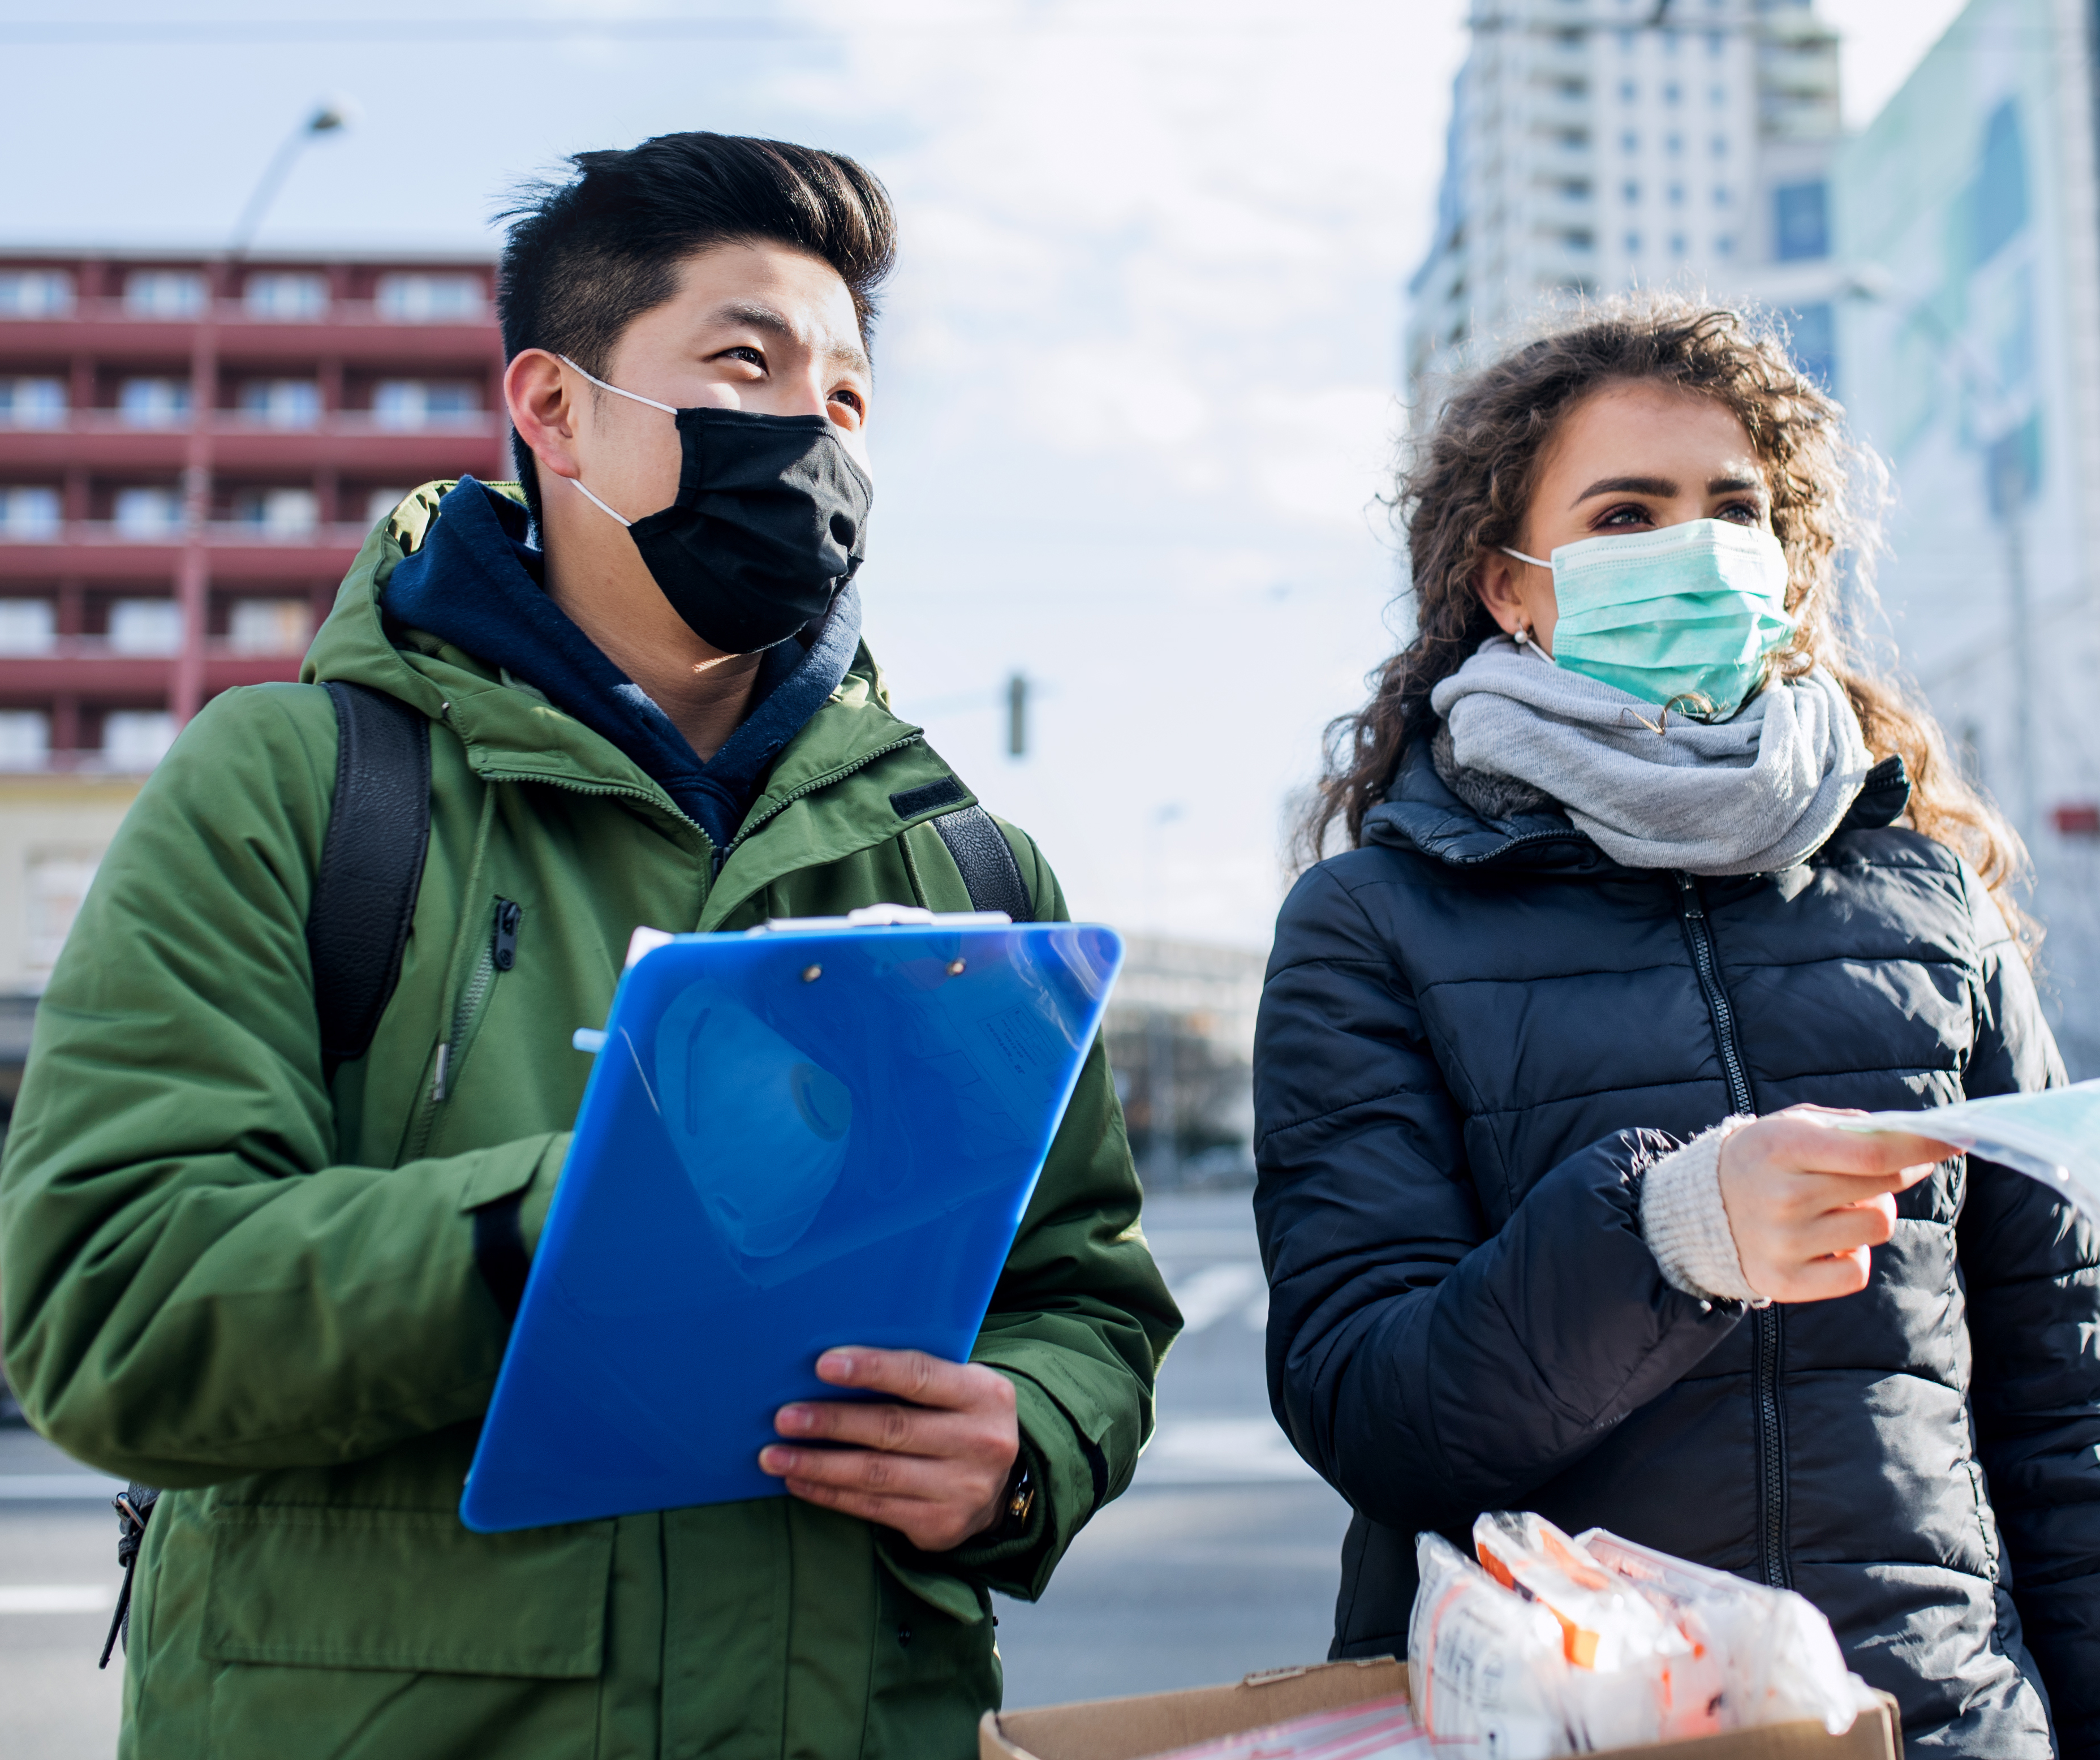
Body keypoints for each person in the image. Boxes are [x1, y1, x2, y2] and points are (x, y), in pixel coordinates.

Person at [0, 131, 1178, 1759]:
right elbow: (110, 1304)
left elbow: (1084, 1295)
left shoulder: (969, 865)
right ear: (553, 409)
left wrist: (1025, 1443)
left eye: (844, 400)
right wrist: (568, 1217)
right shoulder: (295, 785)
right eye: (745, 364)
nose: (812, 436)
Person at [1253, 302, 2100, 1754]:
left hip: (1941, 1719)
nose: (1693, 549)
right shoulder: (1372, 920)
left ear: (1784, 576)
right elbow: (1369, 1403)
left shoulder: (1922, 897)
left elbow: (2064, 1402)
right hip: (1573, 1720)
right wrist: (1668, 1236)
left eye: (1734, 511)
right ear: (1508, 586)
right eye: (1626, 513)